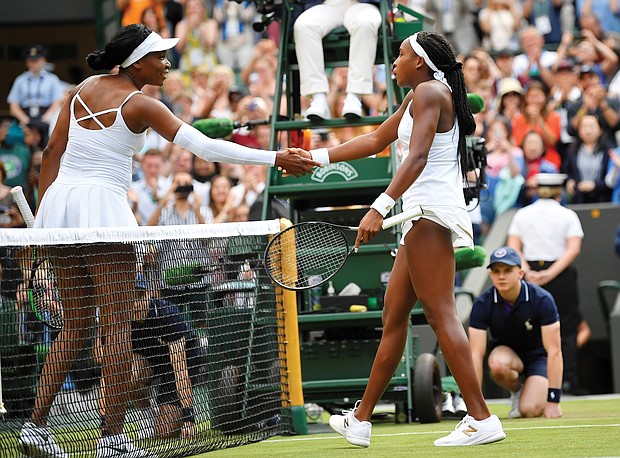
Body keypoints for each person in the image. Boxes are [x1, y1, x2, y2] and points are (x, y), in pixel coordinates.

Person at [18, 23, 318, 458]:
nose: (166, 63)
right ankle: (112, 441)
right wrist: (274, 156)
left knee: (77, 327)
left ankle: (34, 429)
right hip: (101, 208)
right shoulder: (140, 103)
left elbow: (51, 155)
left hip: (61, 208)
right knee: (117, 328)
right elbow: (206, 148)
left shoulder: (82, 88)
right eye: (159, 56)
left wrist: (48, 221)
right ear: (137, 61)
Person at [295, 30, 506, 447]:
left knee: (441, 312)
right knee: (393, 315)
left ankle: (481, 418)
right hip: (416, 214)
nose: (394, 61)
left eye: (402, 54)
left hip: (427, 212)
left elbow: (419, 156)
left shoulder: (430, 92)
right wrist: (315, 157)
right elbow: (376, 139)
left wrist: (379, 206)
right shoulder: (418, 95)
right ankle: (360, 419)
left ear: (422, 63)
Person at [507, 174, 585, 396]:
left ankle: (531, 382)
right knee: (566, 328)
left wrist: (528, 272)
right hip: (559, 275)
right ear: (559, 192)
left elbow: (514, 246)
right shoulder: (567, 215)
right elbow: (573, 249)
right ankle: (567, 381)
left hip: (528, 274)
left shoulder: (522, 214)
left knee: (528, 327)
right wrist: (549, 273)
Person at [469, 246, 563, 419]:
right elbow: (475, 354)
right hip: (507, 356)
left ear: (520, 273)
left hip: (538, 358)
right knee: (497, 365)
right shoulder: (482, 303)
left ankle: (533, 392)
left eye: (507, 270)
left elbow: (555, 351)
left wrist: (553, 401)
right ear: (490, 275)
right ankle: (517, 391)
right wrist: (474, 405)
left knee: (530, 410)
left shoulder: (542, 299)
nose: (501, 276)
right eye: (496, 271)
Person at [293, 0, 383, 120]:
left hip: (363, 4)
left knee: (366, 23)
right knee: (304, 26)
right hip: (328, 4)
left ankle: (355, 97)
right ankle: (318, 98)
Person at [7, 44, 66, 127]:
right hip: (25, 117)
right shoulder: (20, 80)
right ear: (27, 62)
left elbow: (57, 102)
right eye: (31, 61)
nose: (34, 64)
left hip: (46, 116)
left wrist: (46, 118)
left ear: (44, 60)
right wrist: (25, 120)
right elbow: (13, 105)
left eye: (37, 60)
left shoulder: (52, 79)